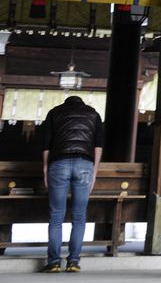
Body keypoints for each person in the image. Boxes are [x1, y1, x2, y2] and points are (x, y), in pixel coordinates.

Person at [39, 95, 104, 273]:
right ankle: (73, 262)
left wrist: (45, 169)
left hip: (58, 164)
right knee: (79, 216)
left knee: (56, 216)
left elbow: (46, 145)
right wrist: (94, 171)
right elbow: (98, 146)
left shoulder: (54, 113)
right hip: (84, 164)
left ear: (65, 103)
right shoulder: (93, 114)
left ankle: (53, 262)